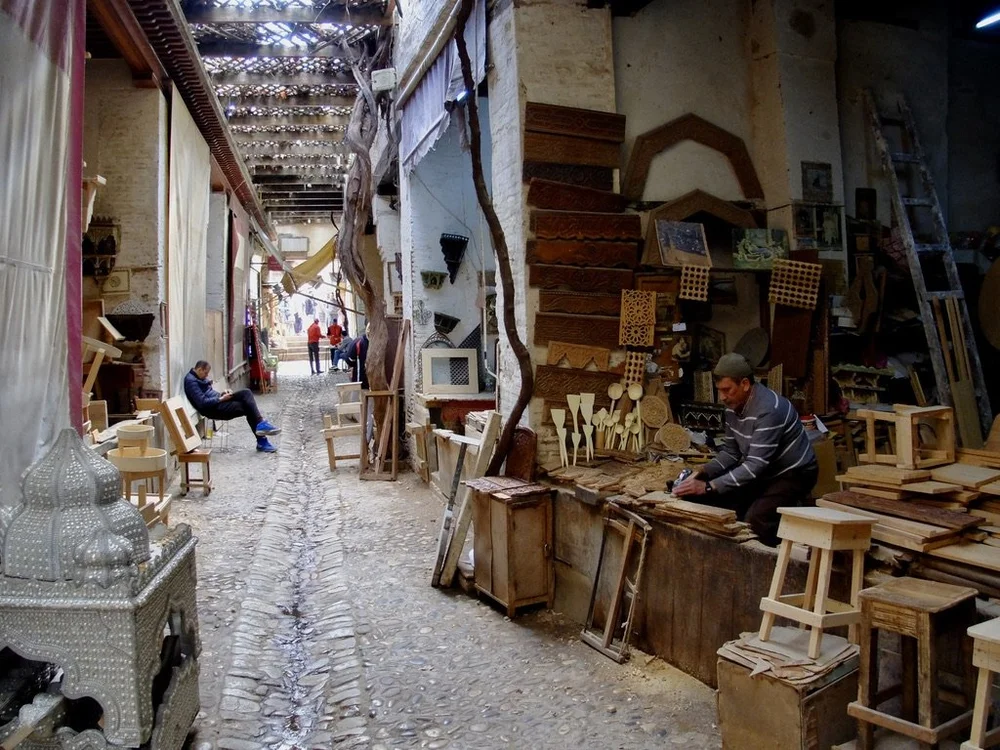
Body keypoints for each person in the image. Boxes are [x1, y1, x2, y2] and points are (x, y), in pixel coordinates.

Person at [674, 353, 817, 545]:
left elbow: (754, 465)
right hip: (766, 469)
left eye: (727, 390)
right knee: (723, 500)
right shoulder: (732, 406)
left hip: (794, 472)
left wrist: (708, 486)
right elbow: (730, 453)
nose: (722, 397)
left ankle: (781, 555)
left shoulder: (768, 410)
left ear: (745, 384)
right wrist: (702, 473)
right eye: (719, 391)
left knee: (756, 520)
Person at [184, 361, 281, 453]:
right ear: (200, 369)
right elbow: (202, 403)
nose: (206, 376)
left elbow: (210, 393)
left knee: (246, 399)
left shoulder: (199, 377)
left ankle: (261, 436)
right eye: (205, 373)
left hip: (217, 403)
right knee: (247, 400)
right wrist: (221, 399)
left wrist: (222, 394)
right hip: (212, 409)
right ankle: (261, 435)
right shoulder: (191, 382)